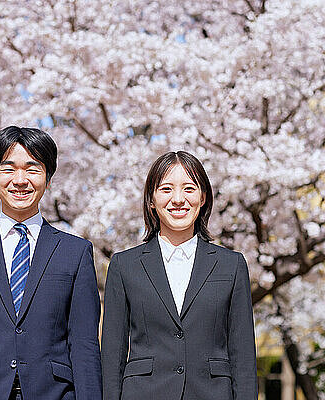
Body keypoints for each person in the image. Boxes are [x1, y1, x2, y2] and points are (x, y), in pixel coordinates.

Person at [0, 126, 102, 400]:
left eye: (32, 169)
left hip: (54, 393)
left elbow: (84, 346)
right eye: (8, 169)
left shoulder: (75, 252)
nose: (20, 180)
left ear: (48, 179)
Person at [101, 151, 257, 400]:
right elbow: (112, 355)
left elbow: (243, 356)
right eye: (165, 189)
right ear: (151, 200)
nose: (178, 199)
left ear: (203, 197)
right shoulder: (124, 265)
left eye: (189, 189)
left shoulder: (231, 265)